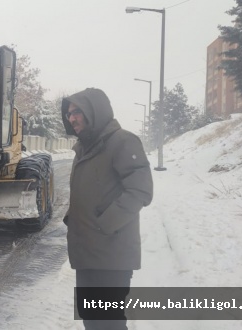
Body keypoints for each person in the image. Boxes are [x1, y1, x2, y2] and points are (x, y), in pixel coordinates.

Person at [60, 88, 153, 330]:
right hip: (89, 253)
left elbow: (140, 190)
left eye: (77, 111)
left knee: (107, 323)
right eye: (69, 113)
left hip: (111, 255)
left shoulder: (123, 141)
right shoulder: (84, 147)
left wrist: (104, 223)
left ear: (95, 110)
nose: (72, 118)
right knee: (91, 319)